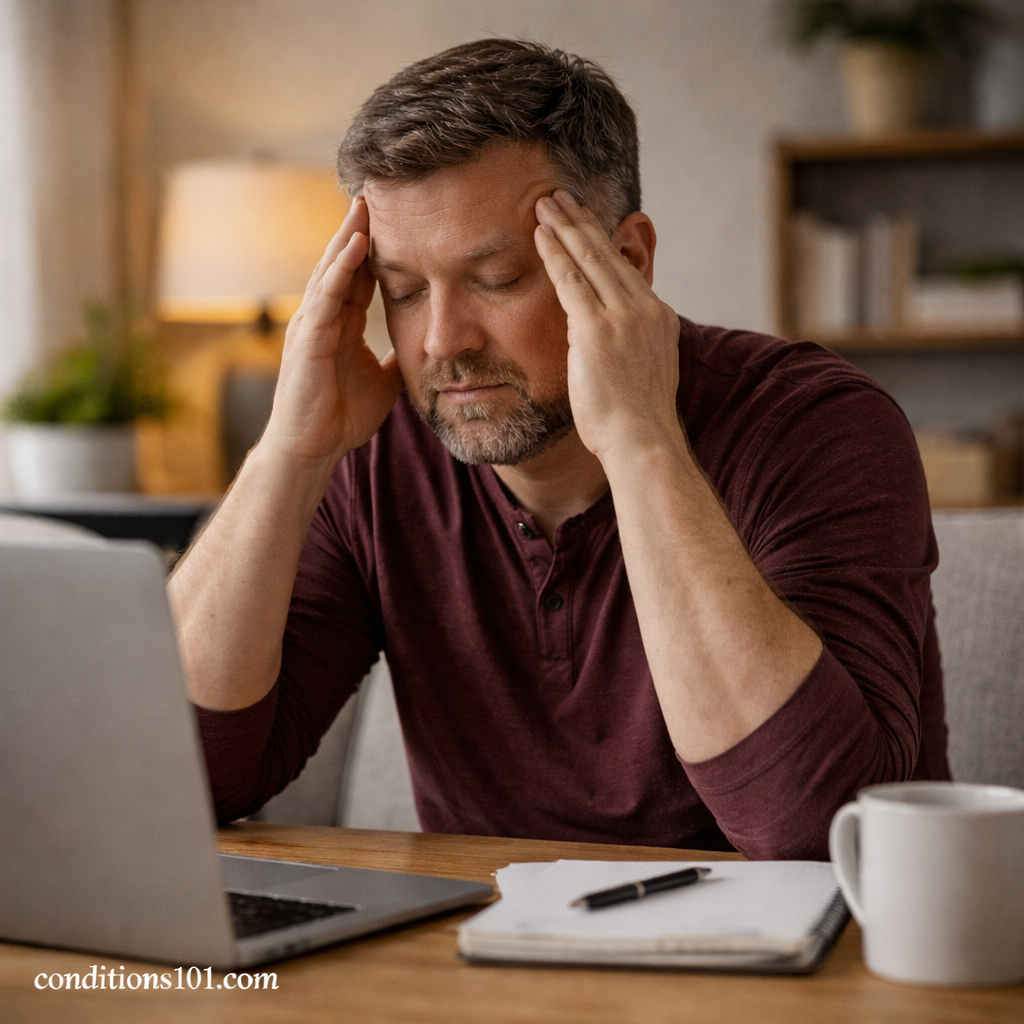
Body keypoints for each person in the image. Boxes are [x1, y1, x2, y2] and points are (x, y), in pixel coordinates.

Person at [168, 38, 949, 860]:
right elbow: (186, 779)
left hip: (794, 974)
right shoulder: (374, 449)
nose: (442, 341)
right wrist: (290, 455)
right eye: (400, 291)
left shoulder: (816, 424)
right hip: (471, 969)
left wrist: (642, 442)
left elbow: (819, 832)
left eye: (498, 279)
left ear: (629, 262)